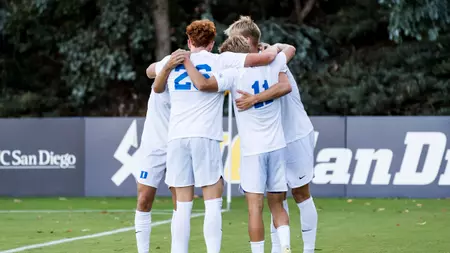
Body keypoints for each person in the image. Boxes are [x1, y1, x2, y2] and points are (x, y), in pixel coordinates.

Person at [151, 19, 281, 253]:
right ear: (212, 43)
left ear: (189, 41)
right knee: (212, 204)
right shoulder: (222, 61)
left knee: (182, 206)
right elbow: (261, 60)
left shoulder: (173, 61)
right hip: (205, 136)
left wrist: (169, 63)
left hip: (177, 137)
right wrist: (275, 48)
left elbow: (153, 79)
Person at [182, 35, 296, 253]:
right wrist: (271, 48)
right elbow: (290, 49)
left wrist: (188, 62)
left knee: (255, 209)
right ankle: (286, 247)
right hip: (277, 145)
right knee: (278, 205)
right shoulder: (274, 64)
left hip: (253, 150)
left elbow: (204, 85)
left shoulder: (233, 74)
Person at [225, 16, 318, 253]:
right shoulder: (251, 64)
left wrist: (255, 98)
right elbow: (290, 48)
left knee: (300, 193)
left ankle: (308, 250)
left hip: (294, 134)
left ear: (247, 40)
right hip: (273, 140)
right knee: (276, 197)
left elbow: (284, 85)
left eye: (233, 40)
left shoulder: (274, 60)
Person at [134, 51, 189, 253]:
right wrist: (165, 65)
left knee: (180, 203)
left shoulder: (196, 78)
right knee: (144, 199)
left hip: (178, 144)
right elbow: (149, 70)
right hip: (153, 143)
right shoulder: (169, 65)